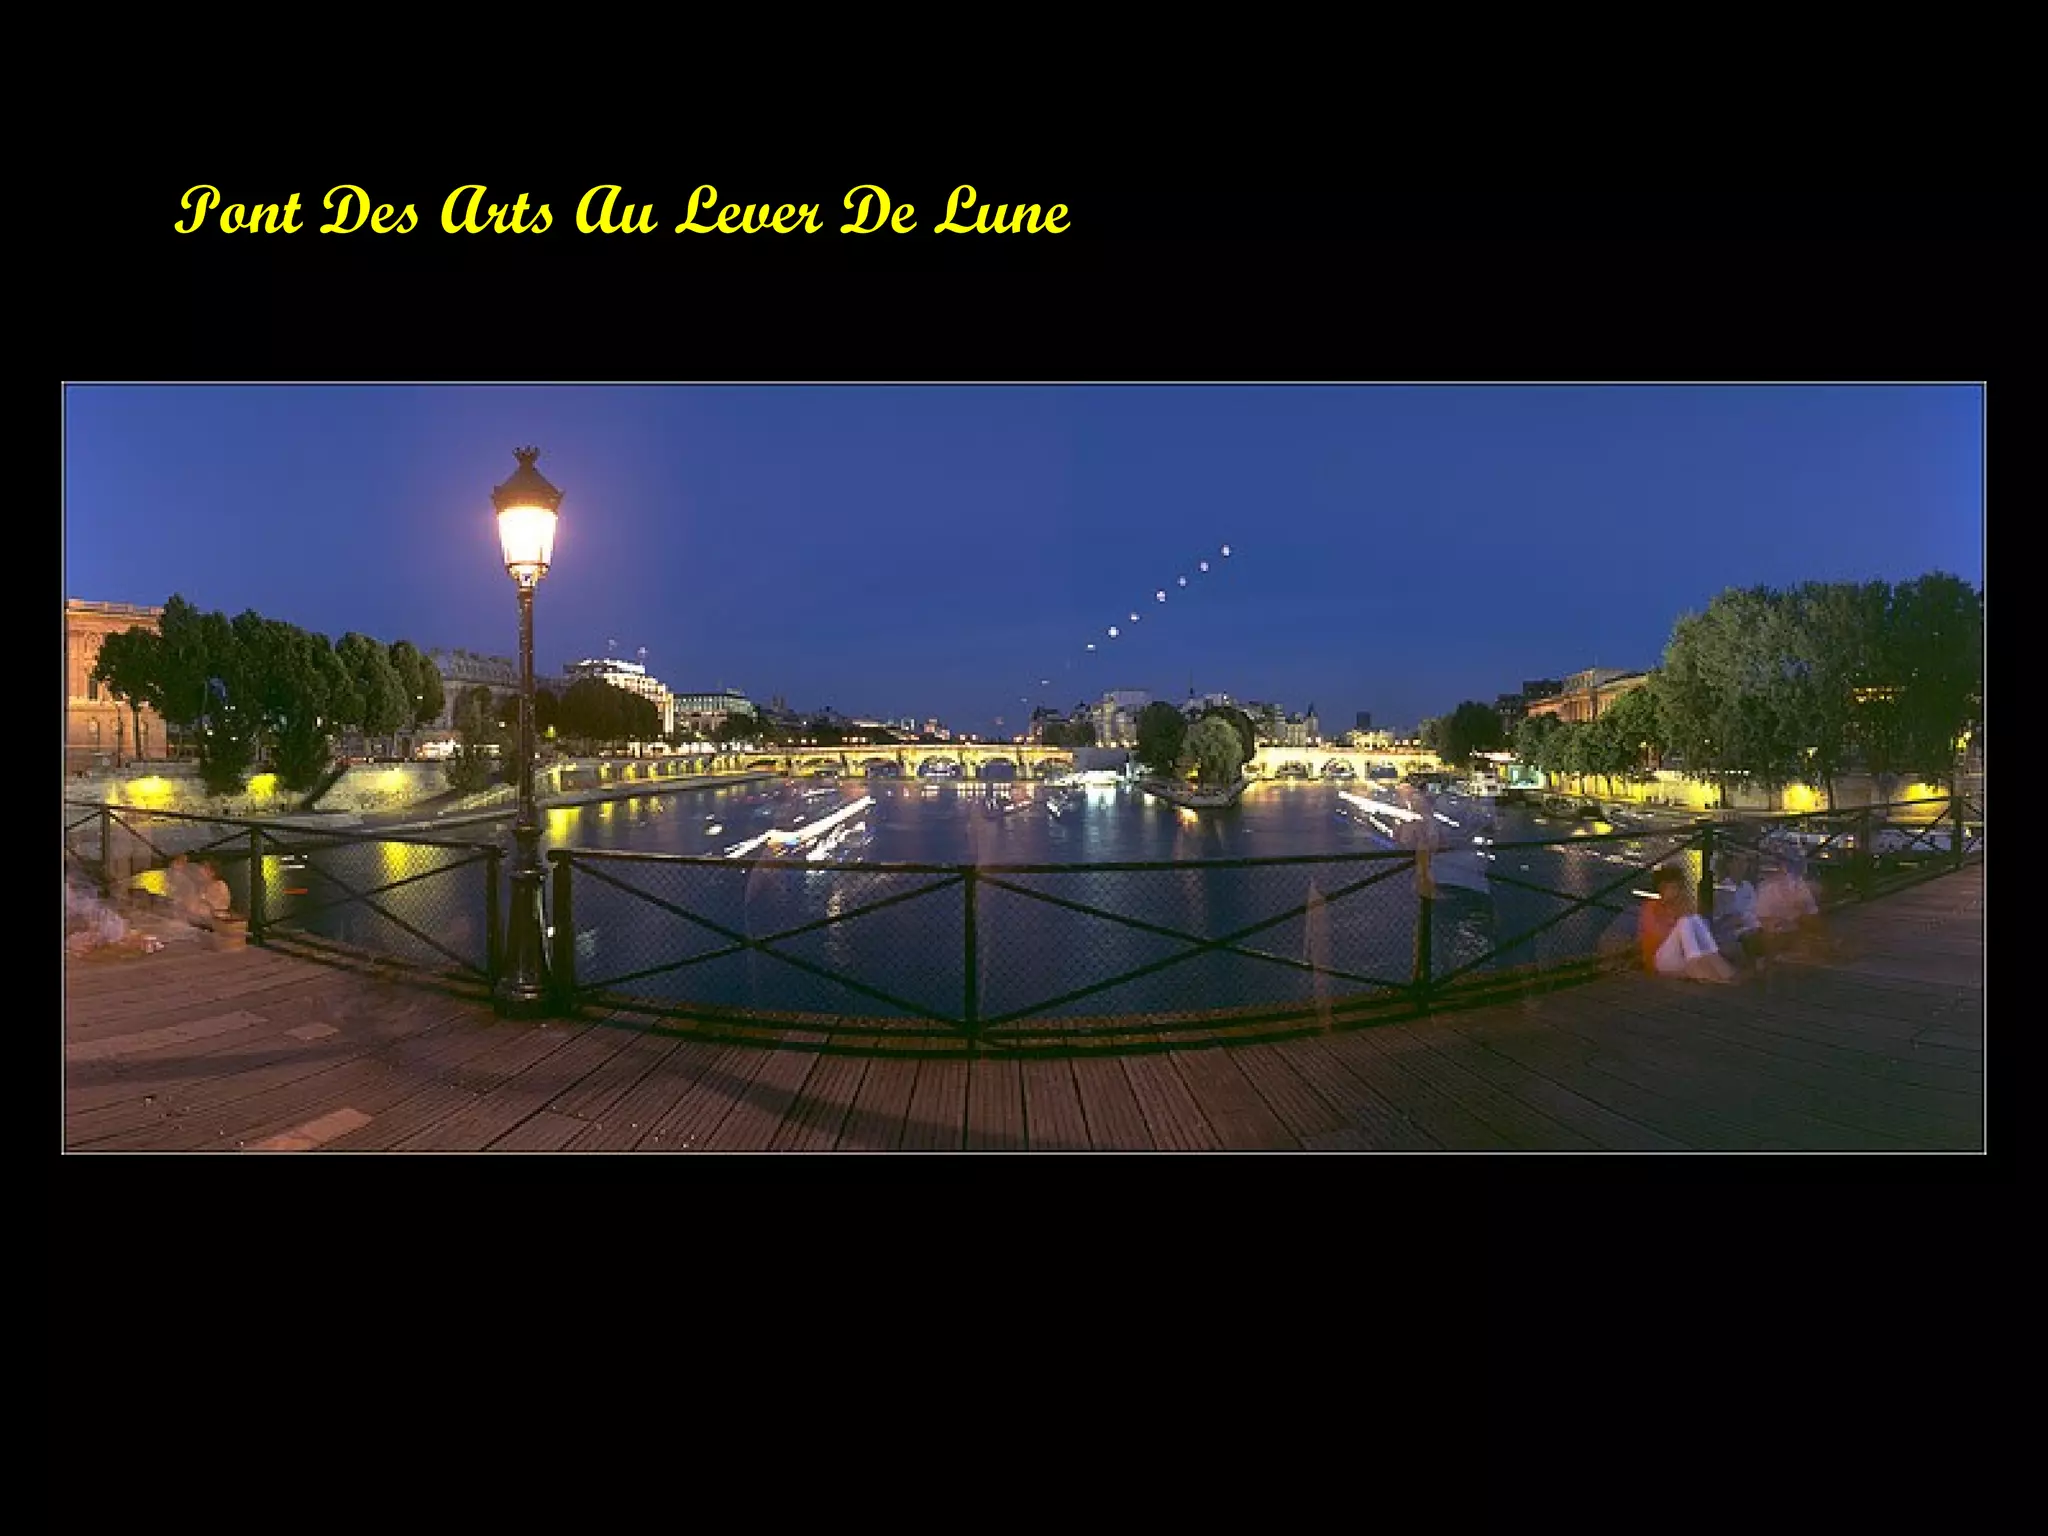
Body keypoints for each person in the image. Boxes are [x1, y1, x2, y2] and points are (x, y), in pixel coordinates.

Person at [1642, 864, 1738, 983]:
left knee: (1695, 918)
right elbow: (1656, 934)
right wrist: (1676, 923)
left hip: (1683, 958)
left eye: (1679, 888)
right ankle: (1698, 967)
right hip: (1660, 960)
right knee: (1685, 921)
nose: (1677, 892)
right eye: (1673, 888)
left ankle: (1720, 966)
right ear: (1662, 888)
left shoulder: (1681, 906)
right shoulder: (1652, 907)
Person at [1711, 850, 1767, 969]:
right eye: (1738, 861)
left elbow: (1754, 911)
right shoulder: (1724, 888)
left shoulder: (1748, 886)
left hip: (1752, 926)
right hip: (1731, 932)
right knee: (1752, 937)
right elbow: (1723, 920)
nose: (1742, 865)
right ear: (1729, 865)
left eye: (1745, 862)